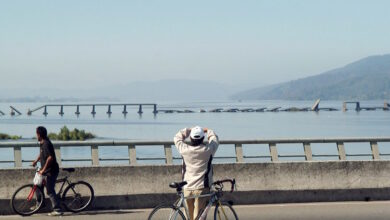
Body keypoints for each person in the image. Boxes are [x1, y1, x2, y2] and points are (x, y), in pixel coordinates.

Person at [174, 126, 219, 220]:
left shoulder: (184, 149)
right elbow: (215, 139)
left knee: (189, 218)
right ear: (203, 138)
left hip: (187, 187)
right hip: (202, 188)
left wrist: (189, 130)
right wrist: (208, 130)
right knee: (198, 218)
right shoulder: (208, 150)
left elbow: (177, 138)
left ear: (191, 138)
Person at [32, 126, 63, 216]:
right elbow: (41, 153)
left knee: (49, 190)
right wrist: (36, 161)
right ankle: (40, 204)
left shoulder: (46, 144)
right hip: (46, 170)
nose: (36, 135)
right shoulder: (42, 143)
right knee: (38, 185)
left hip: (51, 171)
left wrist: (43, 170)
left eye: (36, 134)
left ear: (39, 134)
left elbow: (50, 158)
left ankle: (57, 210)